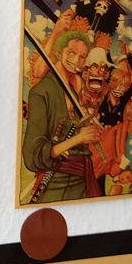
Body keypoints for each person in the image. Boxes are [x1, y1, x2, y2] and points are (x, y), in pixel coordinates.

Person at [23, 33, 105, 202]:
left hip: (82, 180)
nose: (77, 60)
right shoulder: (41, 93)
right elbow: (32, 155)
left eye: (82, 57)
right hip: (55, 182)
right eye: (71, 53)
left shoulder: (75, 91)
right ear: (59, 52)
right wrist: (79, 138)